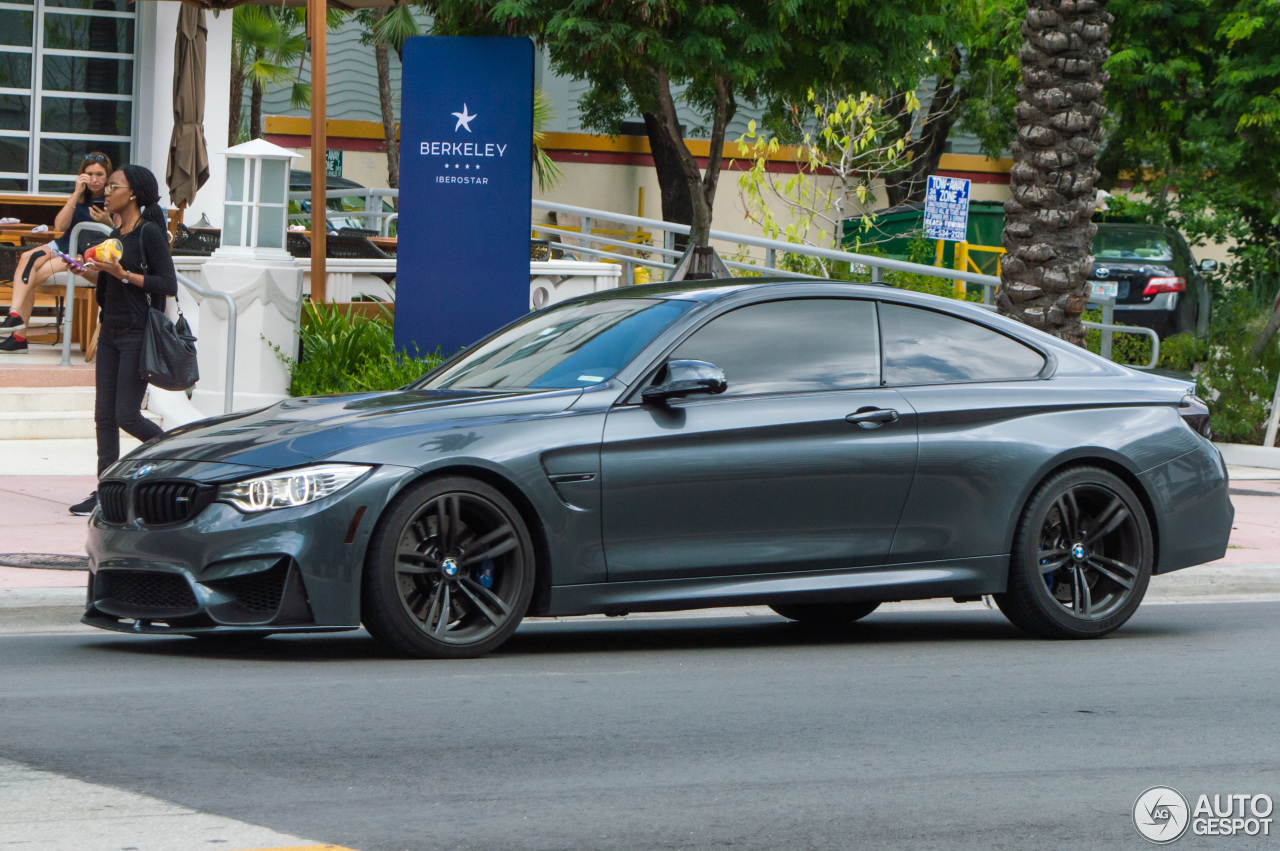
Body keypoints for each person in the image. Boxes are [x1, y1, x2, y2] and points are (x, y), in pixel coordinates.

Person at [68, 164, 176, 516]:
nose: (106, 192)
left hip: (136, 332)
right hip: (112, 329)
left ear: (132, 194)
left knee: (127, 414)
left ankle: (175, 453)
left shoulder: (149, 234)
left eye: (113, 186)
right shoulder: (115, 233)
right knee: (103, 415)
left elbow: (167, 285)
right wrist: (90, 271)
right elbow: (110, 285)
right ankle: (105, 490)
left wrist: (123, 273)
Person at [0, 152, 115, 355]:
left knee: (32, 276)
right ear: (82, 175)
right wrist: (75, 193)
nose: (94, 179)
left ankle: (19, 337)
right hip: (63, 243)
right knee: (27, 257)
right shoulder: (80, 196)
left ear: (107, 176)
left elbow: (120, 236)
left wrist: (108, 222)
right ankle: (15, 313)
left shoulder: (114, 199)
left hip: (81, 254)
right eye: (89, 174)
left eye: (99, 174)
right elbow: (60, 225)